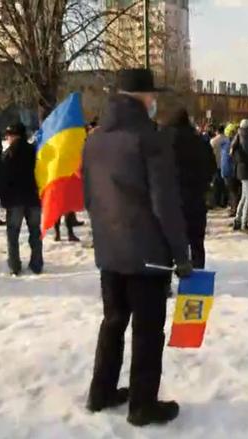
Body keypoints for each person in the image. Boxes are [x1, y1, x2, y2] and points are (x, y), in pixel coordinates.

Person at [83, 68, 193, 427]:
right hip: (148, 256)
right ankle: (142, 405)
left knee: (113, 322)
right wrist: (181, 254)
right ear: (145, 98)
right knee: (147, 330)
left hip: (110, 251)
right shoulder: (150, 139)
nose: (154, 101)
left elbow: (90, 198)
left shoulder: (94, 140)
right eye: (152, 95)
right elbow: (165, 204)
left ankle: (101, 392)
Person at [168, 108, 216, 268]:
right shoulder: (200, 142)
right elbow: (211, 167)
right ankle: (198, 277)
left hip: (172, 201)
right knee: (196, 244)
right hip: (196, 200)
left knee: (170, 245)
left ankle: (169, 277)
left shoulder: (164, 143)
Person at [0, 122, 43, 276]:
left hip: (14, 199)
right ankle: (37, 264)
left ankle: (14, 265)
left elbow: (3, 177)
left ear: (13, 136)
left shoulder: (8, 154)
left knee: (13, 233)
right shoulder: (35, 151)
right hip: (32, 196)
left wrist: (1, 197)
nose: (7, 138)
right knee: (35, 232)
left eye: (8, 135)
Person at [210, 125, 230, 209]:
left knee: (216, 184)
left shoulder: (213, 141)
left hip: (216, 163)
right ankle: (225, 201)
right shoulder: (227, 140)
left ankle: (216, 201)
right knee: (225, 184)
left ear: (216, 131)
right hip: (225, 164)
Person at [222, 123, 240, 217]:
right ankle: (234, 208)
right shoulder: (233, 144)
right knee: (234, 191)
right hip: (232, 170)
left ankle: (234, 209)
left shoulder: (225, 144)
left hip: (226, 171)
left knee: (232, 191)